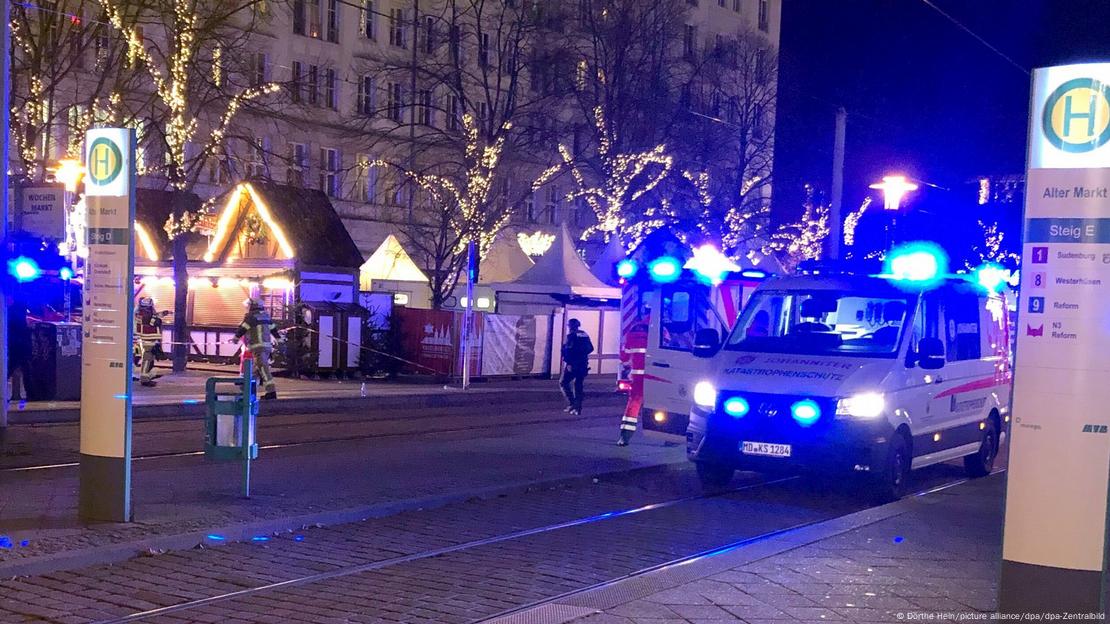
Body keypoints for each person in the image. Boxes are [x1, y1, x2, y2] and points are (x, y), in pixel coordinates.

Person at [234, 298, 281, 400]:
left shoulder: (251, 316)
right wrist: (279, 339)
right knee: (255, 371)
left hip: (258, 348)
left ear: (252, 306)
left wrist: (235, 338)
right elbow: (273, 329)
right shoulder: (265, 316)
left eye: (248, 306)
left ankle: (271, 392)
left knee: (263, 369)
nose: (247, 308)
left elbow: (243, 328)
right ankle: (248, 391)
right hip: (266, 348)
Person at [617, 321, 648, 446]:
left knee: (633, 405)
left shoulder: (633, 331)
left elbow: (624, 357)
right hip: (657, 376)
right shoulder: (661, 330)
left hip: (637, 377)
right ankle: (669, 437)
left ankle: (625, 437)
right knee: (662, 404)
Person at [559, 318, 594, 415]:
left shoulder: (571, 336)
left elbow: (567, 351)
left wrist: (569, 362)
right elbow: (591, 348)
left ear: (570, 326)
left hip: (573, 364)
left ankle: (572, 404)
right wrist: (582, 355)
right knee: (578, 385)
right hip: (583, 363)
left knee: (563, 382)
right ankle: (577, 408)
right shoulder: (584, 334)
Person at [134, 297, 163, 387]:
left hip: (143, 339)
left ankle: (147, 376)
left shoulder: (139, 312)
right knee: (147, 358)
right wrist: (158, 318)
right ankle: (145, 378)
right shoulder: (146, 313)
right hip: (148, 339)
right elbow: (152, 322)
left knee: (146, 358)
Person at [7, 298, 31, 401]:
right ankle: (27, 394)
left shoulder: (11, 312)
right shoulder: (20, 315)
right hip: (21, 342)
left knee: (12, 367)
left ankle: (17, 394)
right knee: (24, 368)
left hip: (14, 342)